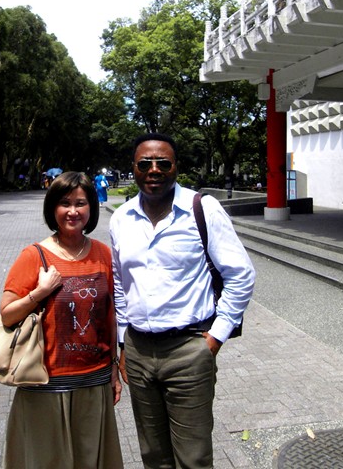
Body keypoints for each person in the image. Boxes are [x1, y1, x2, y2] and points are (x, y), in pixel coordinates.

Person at [110, 133, 255, 469]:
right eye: (145, 164)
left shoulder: (201, 209)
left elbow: (241, 274)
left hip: (189, 350)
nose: (154, 170)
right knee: (153, 455)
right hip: (138, 351)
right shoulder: (121, 218)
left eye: (163, 163)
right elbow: (120, 285)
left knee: (193, 458)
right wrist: (122, 343)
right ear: (134, 168)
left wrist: (217, 335)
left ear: (176, 167)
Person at [0, 171, 123, 469]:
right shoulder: (34, 256)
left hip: (93, 380)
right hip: (46, 382)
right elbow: (7, 313)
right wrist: (39, 293)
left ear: (91, 208)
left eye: (80, 203)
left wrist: (114, 368)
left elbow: (109, 316)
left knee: (91, 461)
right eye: (65, 203)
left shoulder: (103, 254)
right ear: (52, 208)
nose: (72, 211)